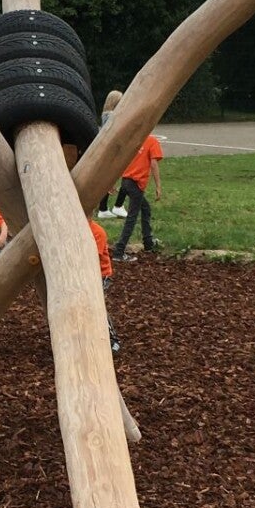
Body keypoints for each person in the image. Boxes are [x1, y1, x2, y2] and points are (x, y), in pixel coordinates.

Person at [112, 132, 164, 261]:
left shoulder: (134, 139)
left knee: (145, 208)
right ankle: (119, 251)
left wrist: (113, 181)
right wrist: (158, 186)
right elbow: (154, 164)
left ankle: (148, 242)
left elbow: (120, 161)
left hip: (126, 181)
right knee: (132, 218)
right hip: (136, 184)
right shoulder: (152, 141)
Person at [90, 214, 120, 354]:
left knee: (96, 304)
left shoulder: (97, 232)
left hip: (100, 275)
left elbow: (92, 257)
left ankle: (112, 338)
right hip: (85, 273)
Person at [95, 90, 125, 216]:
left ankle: (104, 207)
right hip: (110, 149)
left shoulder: (105, 114)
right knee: (109, 178)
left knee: (108, 178)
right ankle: (104, 208)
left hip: (107, 148)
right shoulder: (112, 115)